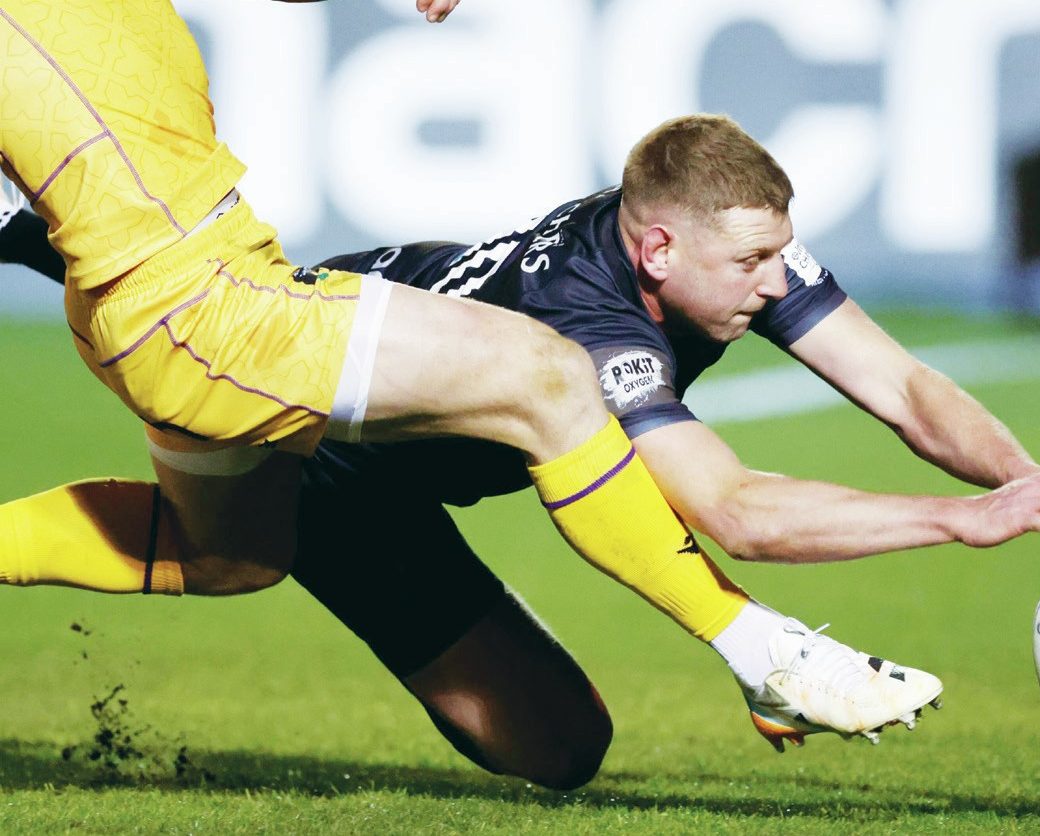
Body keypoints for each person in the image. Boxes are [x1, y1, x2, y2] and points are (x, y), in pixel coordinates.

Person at [0, 114, 1040, 787]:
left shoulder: (719, 253)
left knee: (564, 751)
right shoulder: (590, 321)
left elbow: (905, 384)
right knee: (237, 556)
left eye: (783, 257)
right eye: (753, 265)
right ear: (657, 247)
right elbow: (736, 506)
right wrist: (952, 518)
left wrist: (1019, 477)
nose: (778, 285)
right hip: (309, 417)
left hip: (391, 465)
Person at [0, 0, 805, 754]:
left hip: (244, 347)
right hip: (204, 320)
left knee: (239, 562)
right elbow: (732, 509)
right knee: (544, 374)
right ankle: (760, 648)